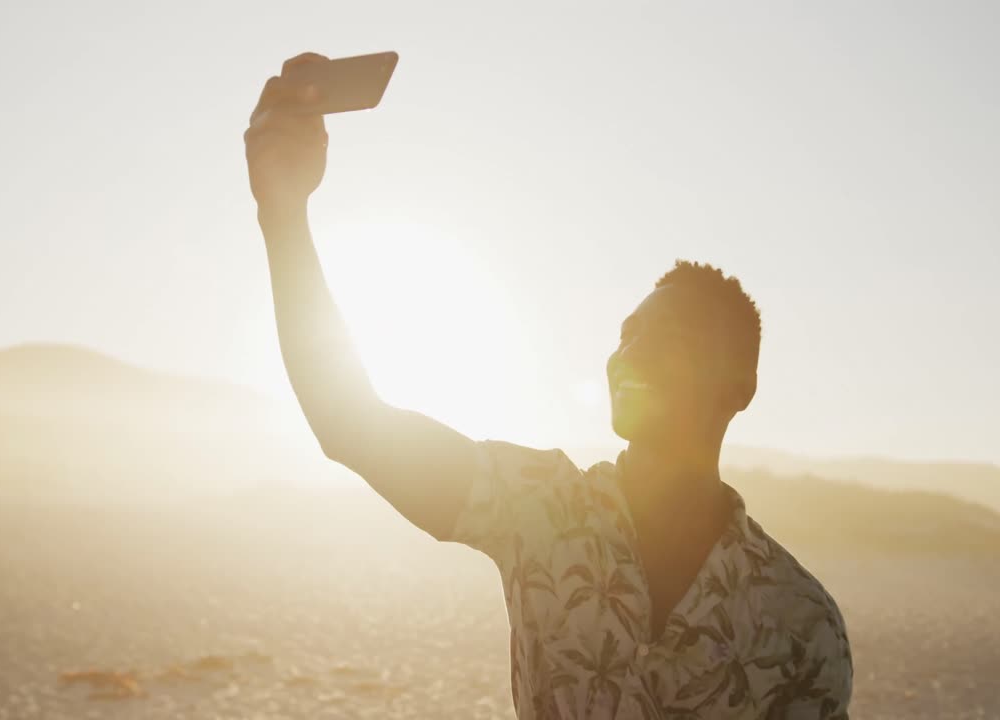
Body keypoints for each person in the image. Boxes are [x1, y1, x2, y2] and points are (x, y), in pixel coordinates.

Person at [245, 52, 853, 720]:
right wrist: (284, 212)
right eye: (625, 334)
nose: (631, 354)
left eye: (671, 338)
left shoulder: (799, 623)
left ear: (740, 386)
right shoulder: (540, 509)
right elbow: (351, 423)